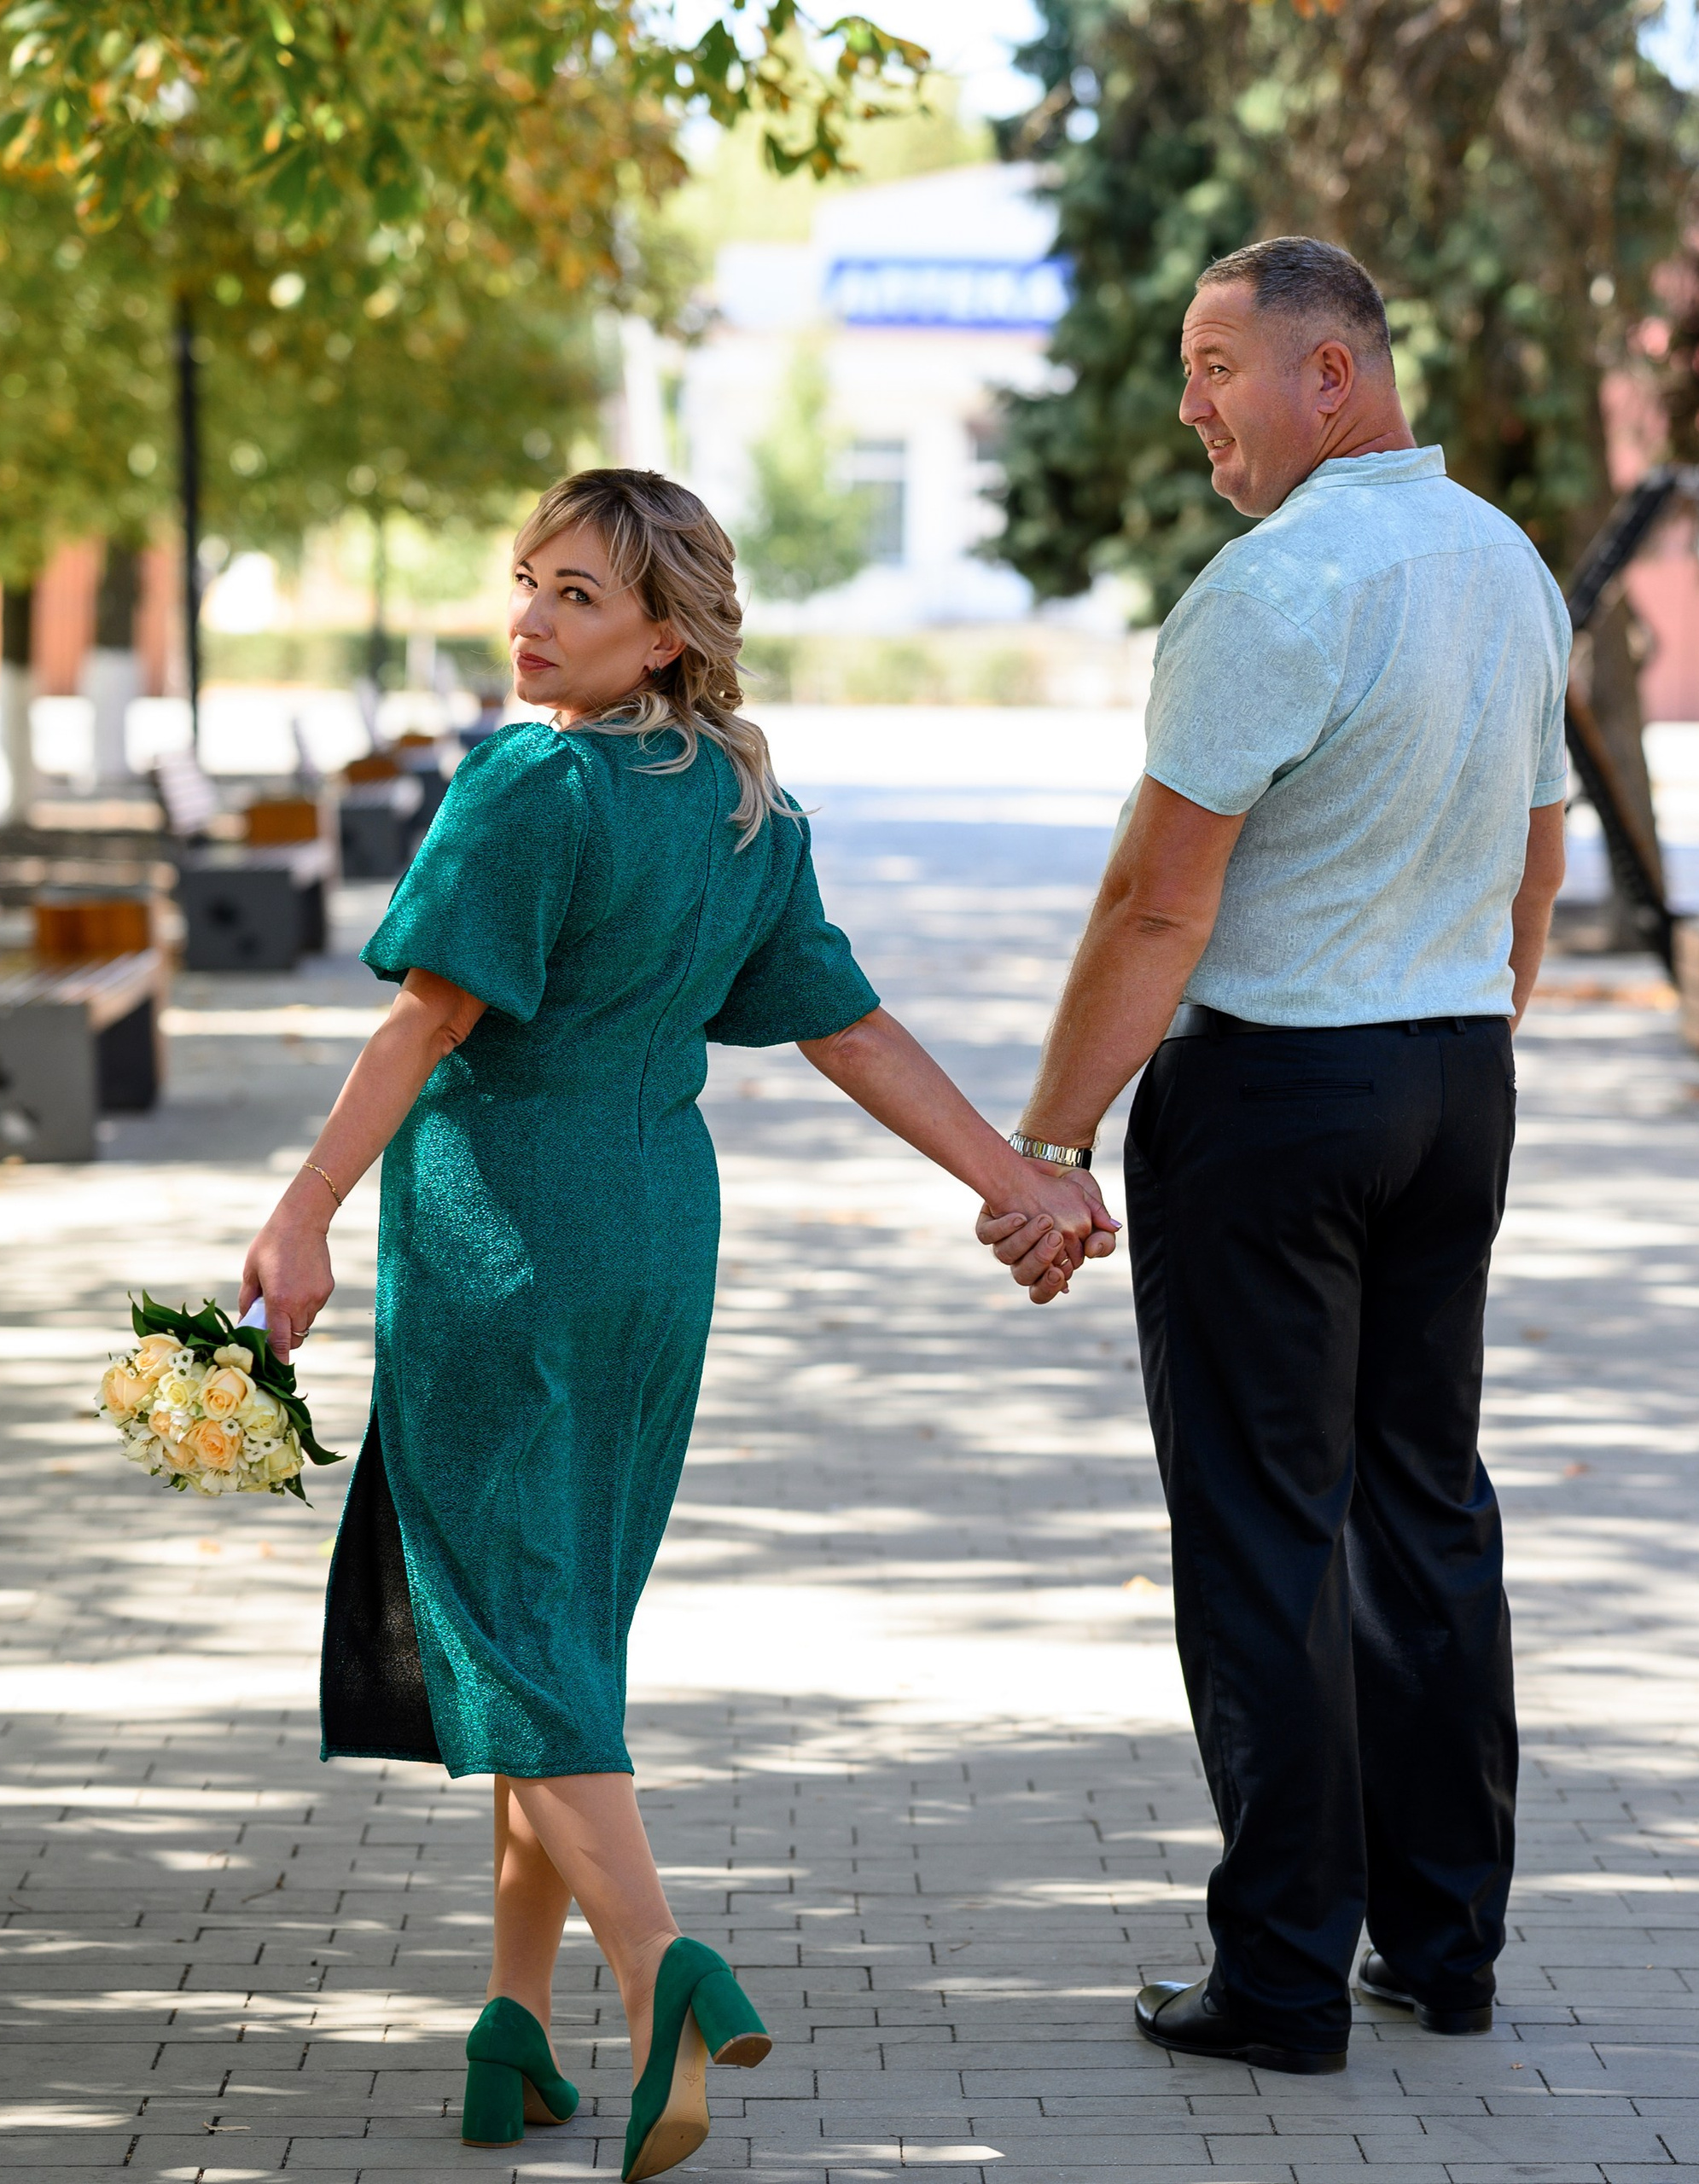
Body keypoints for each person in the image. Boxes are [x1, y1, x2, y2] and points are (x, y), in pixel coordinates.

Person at [238, 469, 1111, 2182]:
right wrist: (1009, 1175)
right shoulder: (735, 806)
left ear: (664, 633)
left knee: (501, 1620)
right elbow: (847, 1030)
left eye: (577, 595)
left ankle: (662, 1972)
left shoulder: (529, 782)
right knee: (558, 1615)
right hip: (652, 1227)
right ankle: (509, 2024)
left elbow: (424, 1028)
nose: (533, 619)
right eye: (528, 583)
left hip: (500, 1229)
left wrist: (302, 1207)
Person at [979, 238, 1569, 2074]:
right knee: (1424, 1506)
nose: (1188, 406)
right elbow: (1536, 858)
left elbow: (1160, 902)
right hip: (1453, 1075)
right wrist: (1455, 1026)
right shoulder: (1507, 566)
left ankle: (1284, 1974)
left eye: (1214, 363)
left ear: (1332, 376)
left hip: (1277, 1097)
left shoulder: (1275, 582)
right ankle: (1446, 1944)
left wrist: (1055, 1138)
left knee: (1261, 1530)